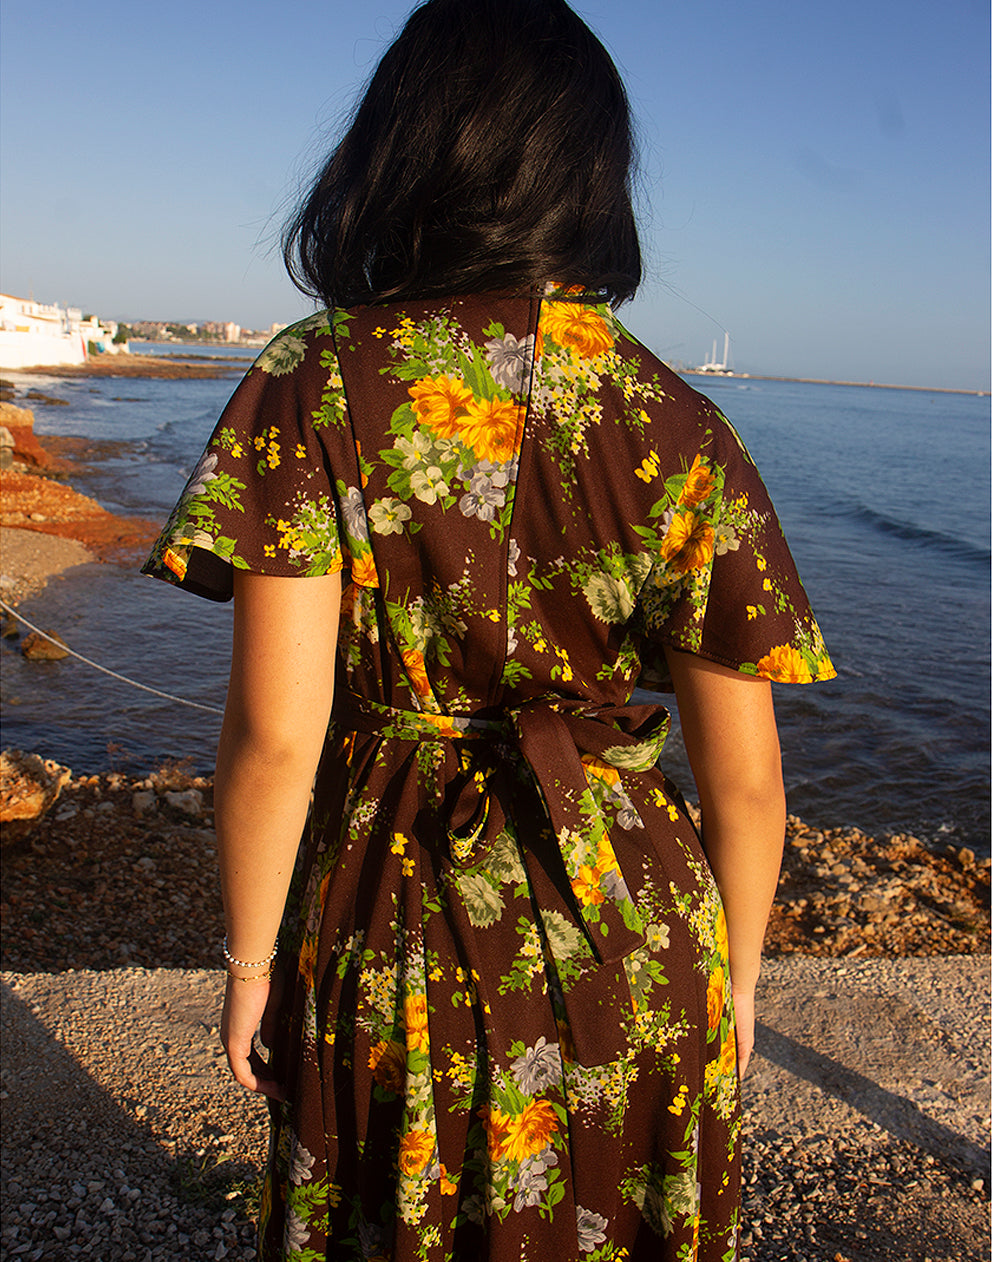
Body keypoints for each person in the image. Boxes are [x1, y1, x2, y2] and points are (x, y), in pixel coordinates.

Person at [143, 1, 835, 1257]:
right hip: (641, 932)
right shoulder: (676, 418)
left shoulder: (316, 378)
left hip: (391, 915)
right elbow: (746, 781)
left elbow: (273, 738)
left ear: (402, 150)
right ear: (592, 179)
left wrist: (249, 969)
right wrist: (730, 987)